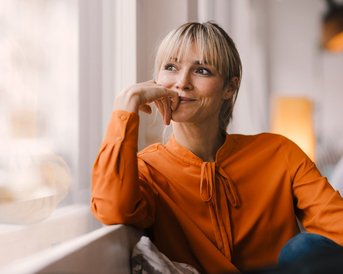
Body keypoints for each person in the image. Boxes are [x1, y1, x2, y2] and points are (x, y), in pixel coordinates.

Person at [91, 21, 343, 273]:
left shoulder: (279, 153)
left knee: (304, 248)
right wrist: (125, 108)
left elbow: (337, 227)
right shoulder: (147, 169)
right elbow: (112, 209)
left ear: (229, 87)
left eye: (201, 70)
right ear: (156, 81)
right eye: (171, 67)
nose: (182, 82)